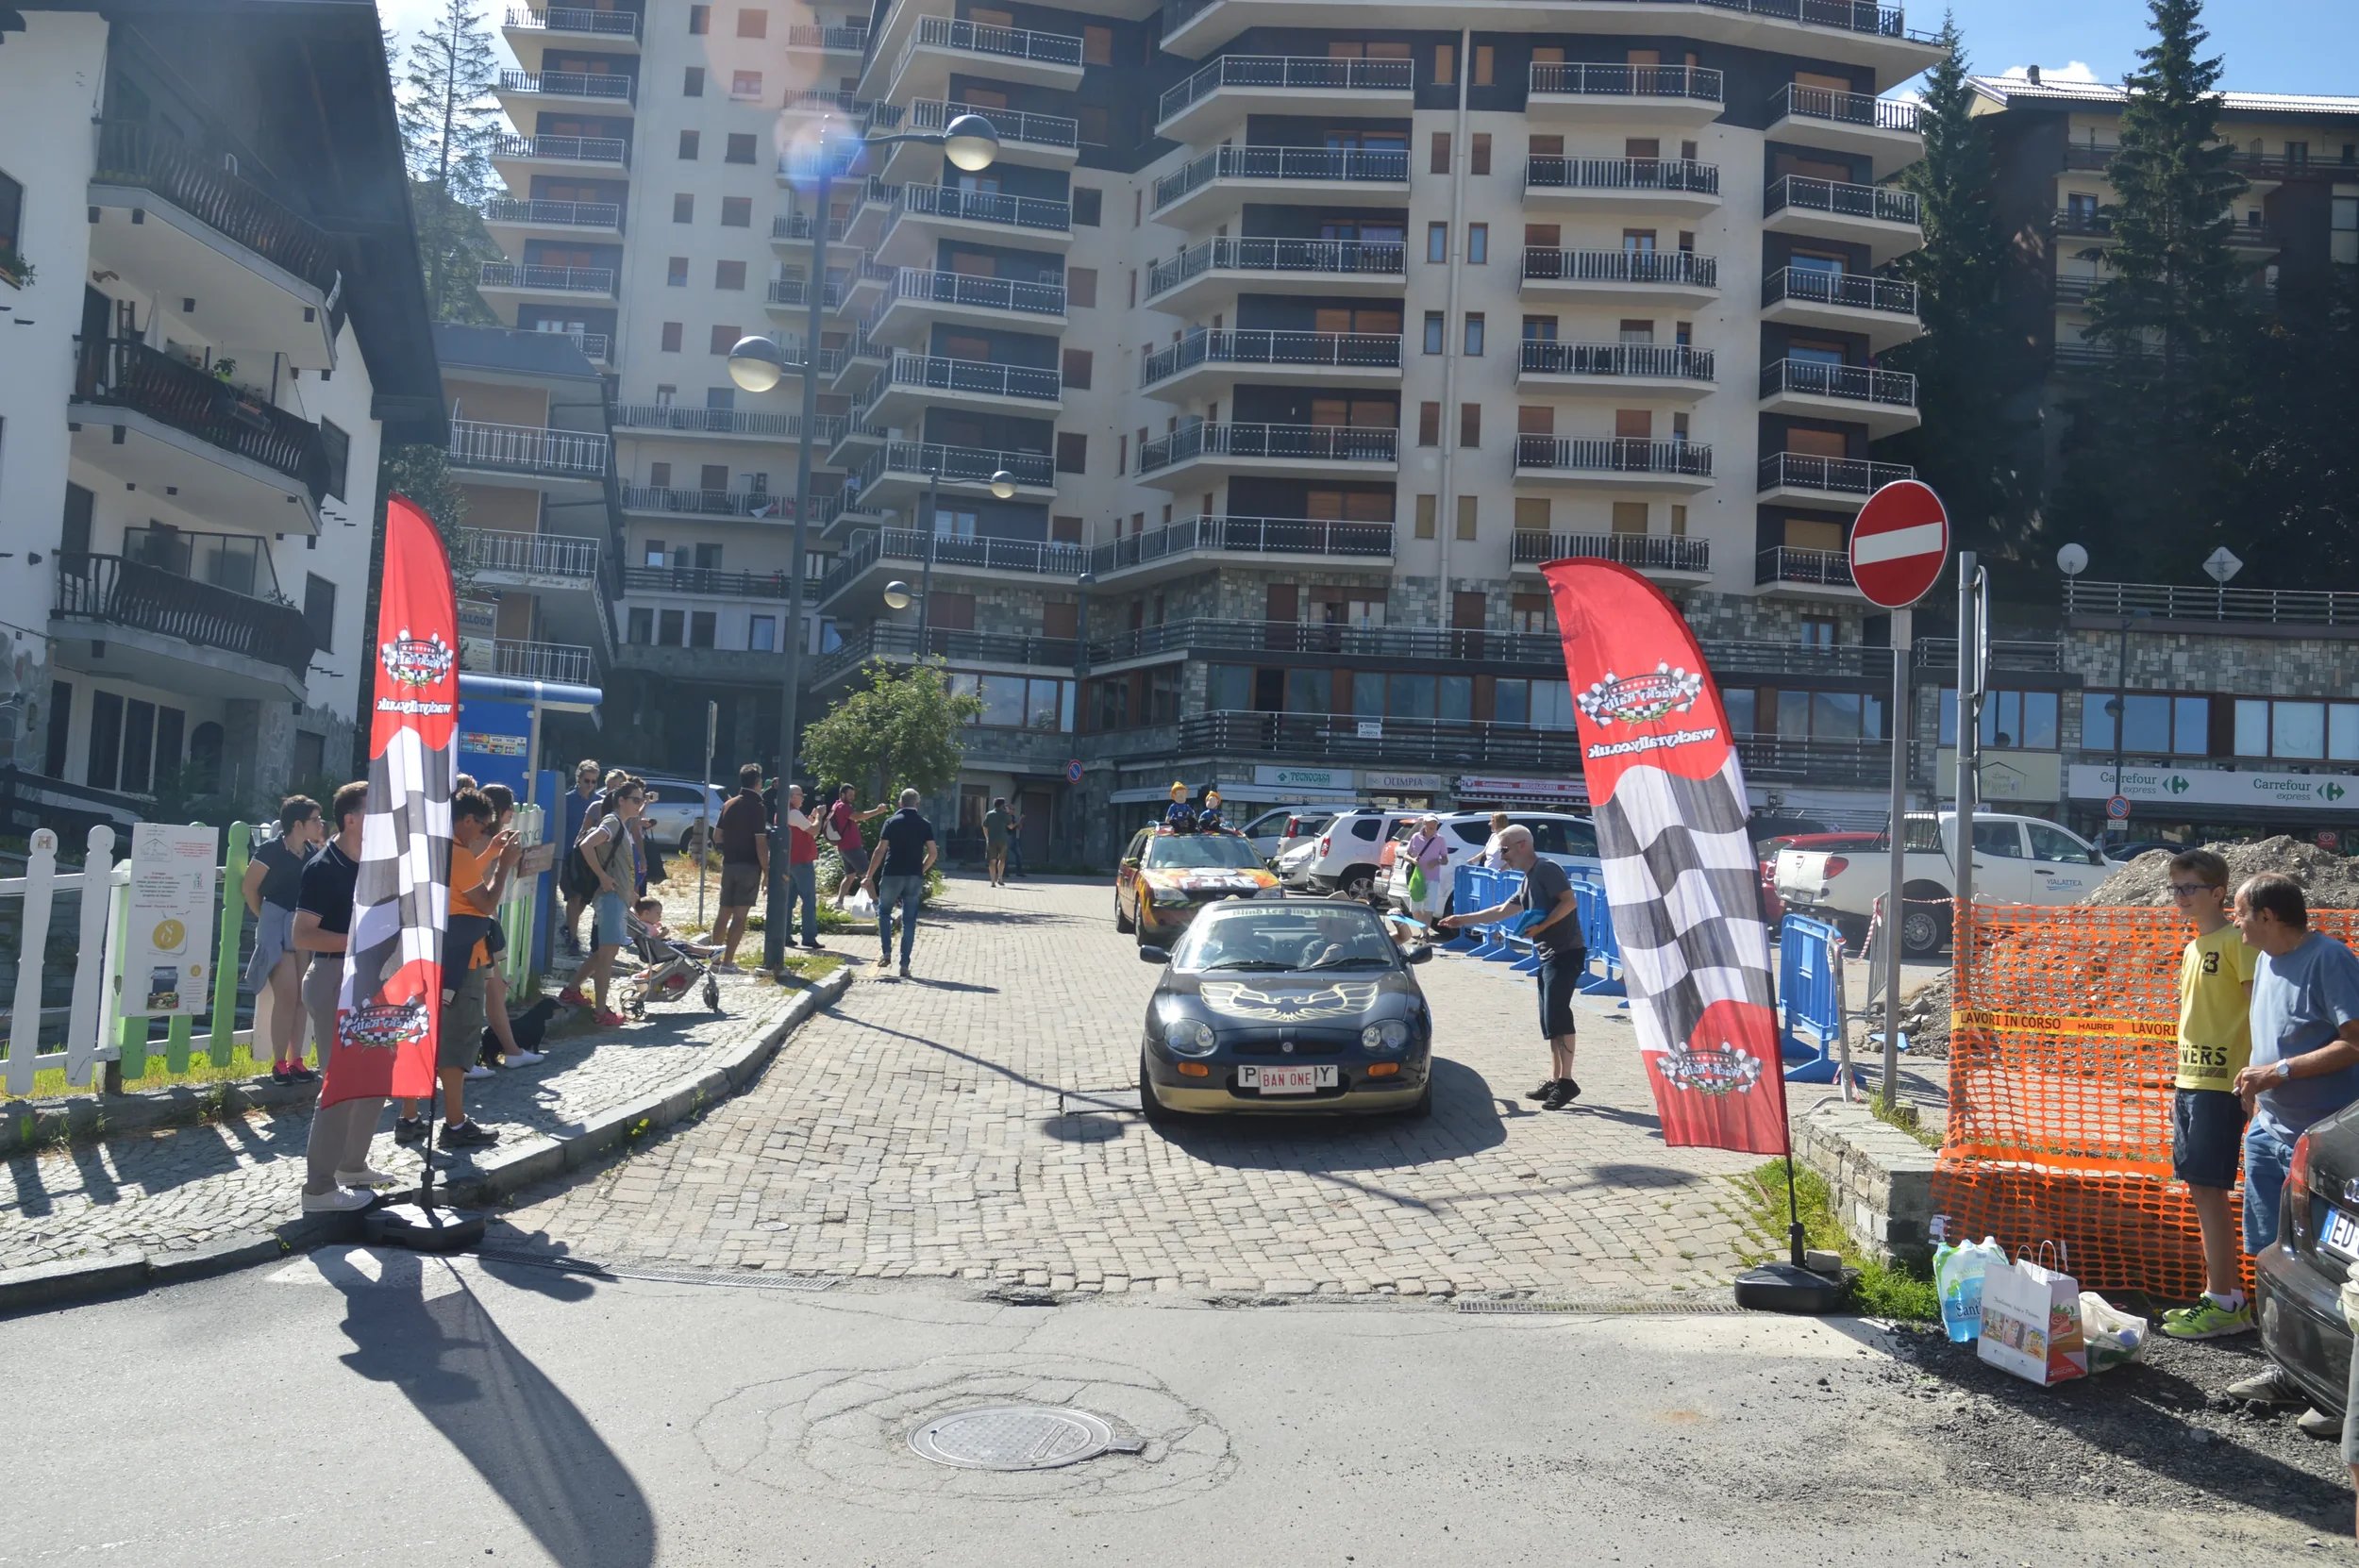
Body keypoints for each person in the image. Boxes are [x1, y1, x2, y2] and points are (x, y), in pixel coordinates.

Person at [2221, 873, 2359, 1416]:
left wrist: (2276, 1072)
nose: (2236, 921)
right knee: (2274, 1255)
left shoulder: (2330, 960)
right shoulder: (2265, 960)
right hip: (2269, 1134)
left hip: (2325, 1149)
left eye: (2240, 912)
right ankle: (2288, 1370)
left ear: (2269, 917)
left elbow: (2353, 1043)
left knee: (2332, 1268)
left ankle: (2337, 1396)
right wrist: (2257, 1104)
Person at [2159, 850, 2260, 1341]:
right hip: (2190, 1080)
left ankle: (2225, 1300)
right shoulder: (2192, 948)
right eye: (2175, 889)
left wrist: (2256, 1075)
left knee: (2211, 1190)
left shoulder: (2238, 943)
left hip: (2223, 1083)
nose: (2180, 898)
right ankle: (2219, 1296)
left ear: (2218, 892)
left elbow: (2259, 1010)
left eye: (2189, 889)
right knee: (2201, 1189)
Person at [1438, 825, 1585, 1109]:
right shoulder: (1528, 877)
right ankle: (1556, 1079)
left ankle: (1567, 1082)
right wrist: (1462, 919)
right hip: (1548, 952)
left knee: (1558, 1015)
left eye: (1503, 850)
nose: (1502, 857)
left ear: (1522, 845)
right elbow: (1503, 909)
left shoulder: (1546, 869)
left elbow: (1569, 902)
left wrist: (1542, 925)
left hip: (1565, 952)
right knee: (1549, 1019)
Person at [295, 782, 391, 1212]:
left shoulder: (375, 864)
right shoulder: (322, 868)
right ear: (351, 819)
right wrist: (357, 939)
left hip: (369, 979)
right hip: (333, 976)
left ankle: (351, 1165)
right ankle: (318, 1189)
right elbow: (302, 934)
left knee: (376, 1074)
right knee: (339, 1083)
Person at [396, 788, 508, 1149]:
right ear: (467, 819)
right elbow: (485, 901)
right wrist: (505, 866)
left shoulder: (432, 848)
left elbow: (461, 881)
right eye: (483, 828)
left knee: (418, 1035)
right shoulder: (457, 853)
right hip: (462, 958)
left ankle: (409, 1117)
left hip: (425, 953)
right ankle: (455, 1124)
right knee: (456, 1044)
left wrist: (491, 854)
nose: (482, 835)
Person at [242, 794, 325, 1084]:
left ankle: (297, 1060)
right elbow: (250, 887)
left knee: (302, 995)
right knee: (287, 992)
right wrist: (264, 916)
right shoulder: (270, 850)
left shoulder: (313, 853)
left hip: (300, 925)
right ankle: (279, 1062)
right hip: (277, 923)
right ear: (298, 824)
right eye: (315, 820)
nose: (320, 825)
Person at [563, 775, 648, 1026]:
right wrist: (602, 877)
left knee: (601, 952)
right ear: (620, 801)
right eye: (635, 800)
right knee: (607, 957)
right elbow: (587, 844)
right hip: (609, 898)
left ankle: (571, 990)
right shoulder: (612, 821)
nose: (639, 805)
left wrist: (629, 890)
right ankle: (601, 1012)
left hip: (616, 897)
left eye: (641, 800)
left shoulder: (621, 823)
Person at [471, 783, 542, 1071]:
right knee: (487, 992)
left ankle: (506, 1049)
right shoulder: (483, 841)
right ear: (504, 811)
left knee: (494, 990)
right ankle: (502, 1051)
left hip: (481, 922)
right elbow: (477, 883)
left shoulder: (486, 839)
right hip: (475, 923)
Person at [863, 788, 938, 978]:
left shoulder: (891, 822)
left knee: (884, 911)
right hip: (913, 875)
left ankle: (887, 952)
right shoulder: (925, 824)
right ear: (917, 803)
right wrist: (921, 869)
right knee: (909, 920)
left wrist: (869, 875)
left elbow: (880, 850)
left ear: (900, 803)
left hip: (892, 873)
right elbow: (933, 853)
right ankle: (904, 964)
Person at [713, 763, 768, 970]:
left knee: (723, 913)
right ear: (757, 782)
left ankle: (714, 959)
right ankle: (728, 962)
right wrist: (767, 870)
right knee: (740, 916)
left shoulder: (729, 804)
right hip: (749, 866)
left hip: (729, 864)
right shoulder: (757, 806)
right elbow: (760, 842)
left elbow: (717, 836)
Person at [560, 759, 606, 954]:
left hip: (590, 856)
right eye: (587, 780)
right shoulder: (567, 800)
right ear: (579, 779)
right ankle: (573, 938)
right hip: (570, 855)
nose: (590, 785)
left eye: (594, 781)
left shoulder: (599, 802)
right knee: (573, 897)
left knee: (585, 898)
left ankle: (568, 927)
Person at [828, 784, 887, 909]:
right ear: (842, 794)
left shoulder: (837, 805)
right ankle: (876, 904)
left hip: (844, 847)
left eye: (853, 795)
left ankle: (839, 902)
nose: (852, 797)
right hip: (852, 848)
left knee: (849, 876)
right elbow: (858, 817)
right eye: (849, 795)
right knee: (867, 875)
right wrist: (877, 811)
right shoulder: (843, 807)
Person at [780, 783, 822, 951]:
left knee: (789, 900)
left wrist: (811, 818)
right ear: (791, 797)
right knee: (809, 899)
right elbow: (813, 831)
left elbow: (804, 827)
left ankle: (785, 935)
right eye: (800, 795)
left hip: (789, 861)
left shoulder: (785, 812)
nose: (803, 797)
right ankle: (809, 937)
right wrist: (819, 816)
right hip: (802, 862)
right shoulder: (794, 812)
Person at [1402, 813, 1451, 927]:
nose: (1433, 825)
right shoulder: (1415, 837)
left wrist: (1437, 861)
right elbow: (1406, 855)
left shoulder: (1440, 839)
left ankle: (1423, 934)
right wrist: (1413, 860)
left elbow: (1445, 860)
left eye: (1435, 823)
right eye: (1431, 823)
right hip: (1417, 878)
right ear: (1425, 823)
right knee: (1415, 908)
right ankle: (1422, 929)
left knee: (1429, 908)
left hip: (1433, 878)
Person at [983, 795, 1012, 888]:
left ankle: (992, 881)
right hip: (1003, 840)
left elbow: (984, 826)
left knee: (992, 861)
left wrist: (987, 837)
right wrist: (1008, 813)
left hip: (991, 840)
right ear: (1002, 805)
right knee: (1002, 859)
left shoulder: (989, 814)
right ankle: (1000, 878)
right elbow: (1010, 826)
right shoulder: (1005, 815)